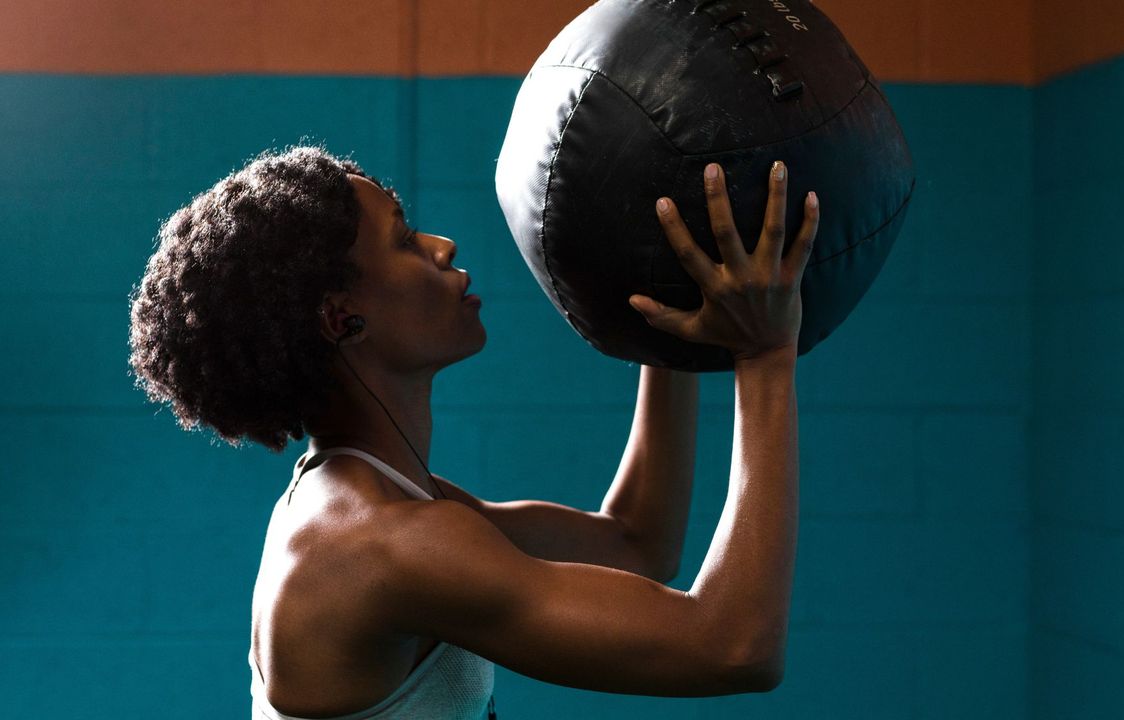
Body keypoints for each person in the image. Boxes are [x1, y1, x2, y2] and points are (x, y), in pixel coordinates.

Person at [127, 145, 818, 719]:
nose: (440, 246)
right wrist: (762, 358)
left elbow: (637, 543)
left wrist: (662, 318)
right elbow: (735, 646)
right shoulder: (383, 544)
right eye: (402, 238)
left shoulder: (376, 503)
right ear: (341, 319)